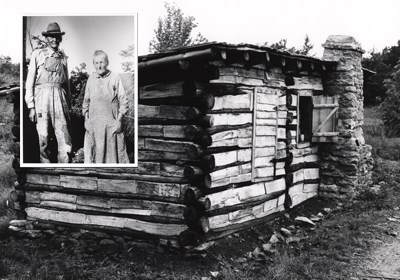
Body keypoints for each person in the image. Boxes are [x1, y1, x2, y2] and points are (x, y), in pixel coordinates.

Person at [25, 22, 72, 163]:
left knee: (64, 134)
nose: (54, 39)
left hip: (60, 97)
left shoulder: (63, 57)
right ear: (46, 38)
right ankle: (45, 167)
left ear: (60, 38)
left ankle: (65, 165)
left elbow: (67, 84)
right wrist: (31, 106)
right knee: (43, 135)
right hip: (41, 98)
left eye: (57, 36)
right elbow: (30, 82)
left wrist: (67, 103)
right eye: (51, 37)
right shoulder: (37, 54)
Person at [82, 50, 129, 163]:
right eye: (96, 63)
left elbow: (124, 100)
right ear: (93, 64)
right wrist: (86, 119)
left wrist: (119, 121)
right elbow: (86, 102)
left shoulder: (114, 77)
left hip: (111, 125)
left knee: (112, 158)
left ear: (107, 62)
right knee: (94, 157)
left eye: (102, 62)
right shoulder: (91, 79)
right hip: (94, 126)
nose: (99, 65)